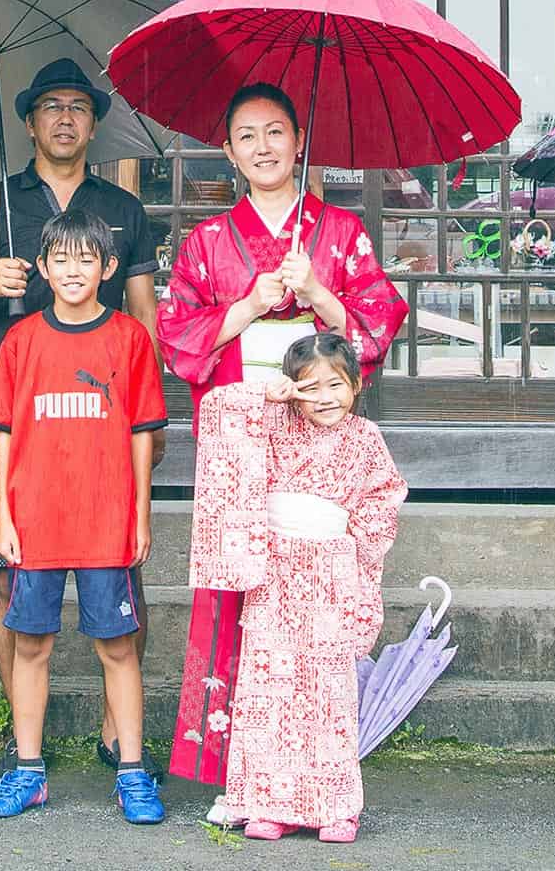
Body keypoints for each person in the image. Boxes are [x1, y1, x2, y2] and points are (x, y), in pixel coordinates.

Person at [159, 82, 408, 790]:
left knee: (310, 597)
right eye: (247, 135)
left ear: (299, 143)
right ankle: (227, 770)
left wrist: (319, 292)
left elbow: (377, 325)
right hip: (242, 434)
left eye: (275, 132)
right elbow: (176, 336)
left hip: (319, 437)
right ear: (229, 152)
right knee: (233, 589)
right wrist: (248, 306)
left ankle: (308, 770)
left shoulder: (341, 233)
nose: (262, 147)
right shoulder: (207, 242)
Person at [0, 58, 166, 779]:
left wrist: (152, 416)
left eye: (78, 107)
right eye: (51, 107)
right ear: (29, 121)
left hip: (104, 410)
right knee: (6, 567)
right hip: (8, 404)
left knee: (121, 567)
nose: (65, 119)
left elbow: (143, 313)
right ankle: (24, 738)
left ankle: (115, 730)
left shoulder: (122, 208)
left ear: (94, 124)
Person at [0, 209, 168, 824]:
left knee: (118, 647)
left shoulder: (129, 339)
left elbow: (141, 433)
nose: (73, 270)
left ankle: (132, 772)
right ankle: (27, 771)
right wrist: (4, 517)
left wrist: (139, 515)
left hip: (105, 520)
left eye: (87, 259)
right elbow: (3, 433)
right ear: (43, 267)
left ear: (108, 267)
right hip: (35, 521)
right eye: (60, 259)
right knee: (31, 645)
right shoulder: (21, 339)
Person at [180, 333, 406, 842]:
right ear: (293, 387)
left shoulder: (365, 438)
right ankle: (268, 804)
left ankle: (336, 809)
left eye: (336, 385)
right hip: (275, 571)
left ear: (357, 384)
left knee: (330, 695)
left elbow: (383, 499)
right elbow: (217, 410)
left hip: (332, 571)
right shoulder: (273, 421)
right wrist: (267, 393)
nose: (325, 397)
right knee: (269, 691)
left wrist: (352, 548)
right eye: (310, 386)